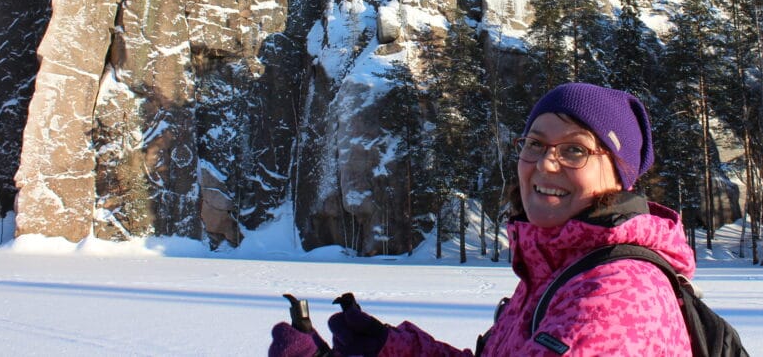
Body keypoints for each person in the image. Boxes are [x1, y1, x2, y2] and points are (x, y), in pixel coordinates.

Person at [269, 82, 695, 356]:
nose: (546, 164)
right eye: (535, 144)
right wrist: (389, 350)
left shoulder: (615, 297)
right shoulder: (559, 271)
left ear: (620, 175)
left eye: (574, 150)